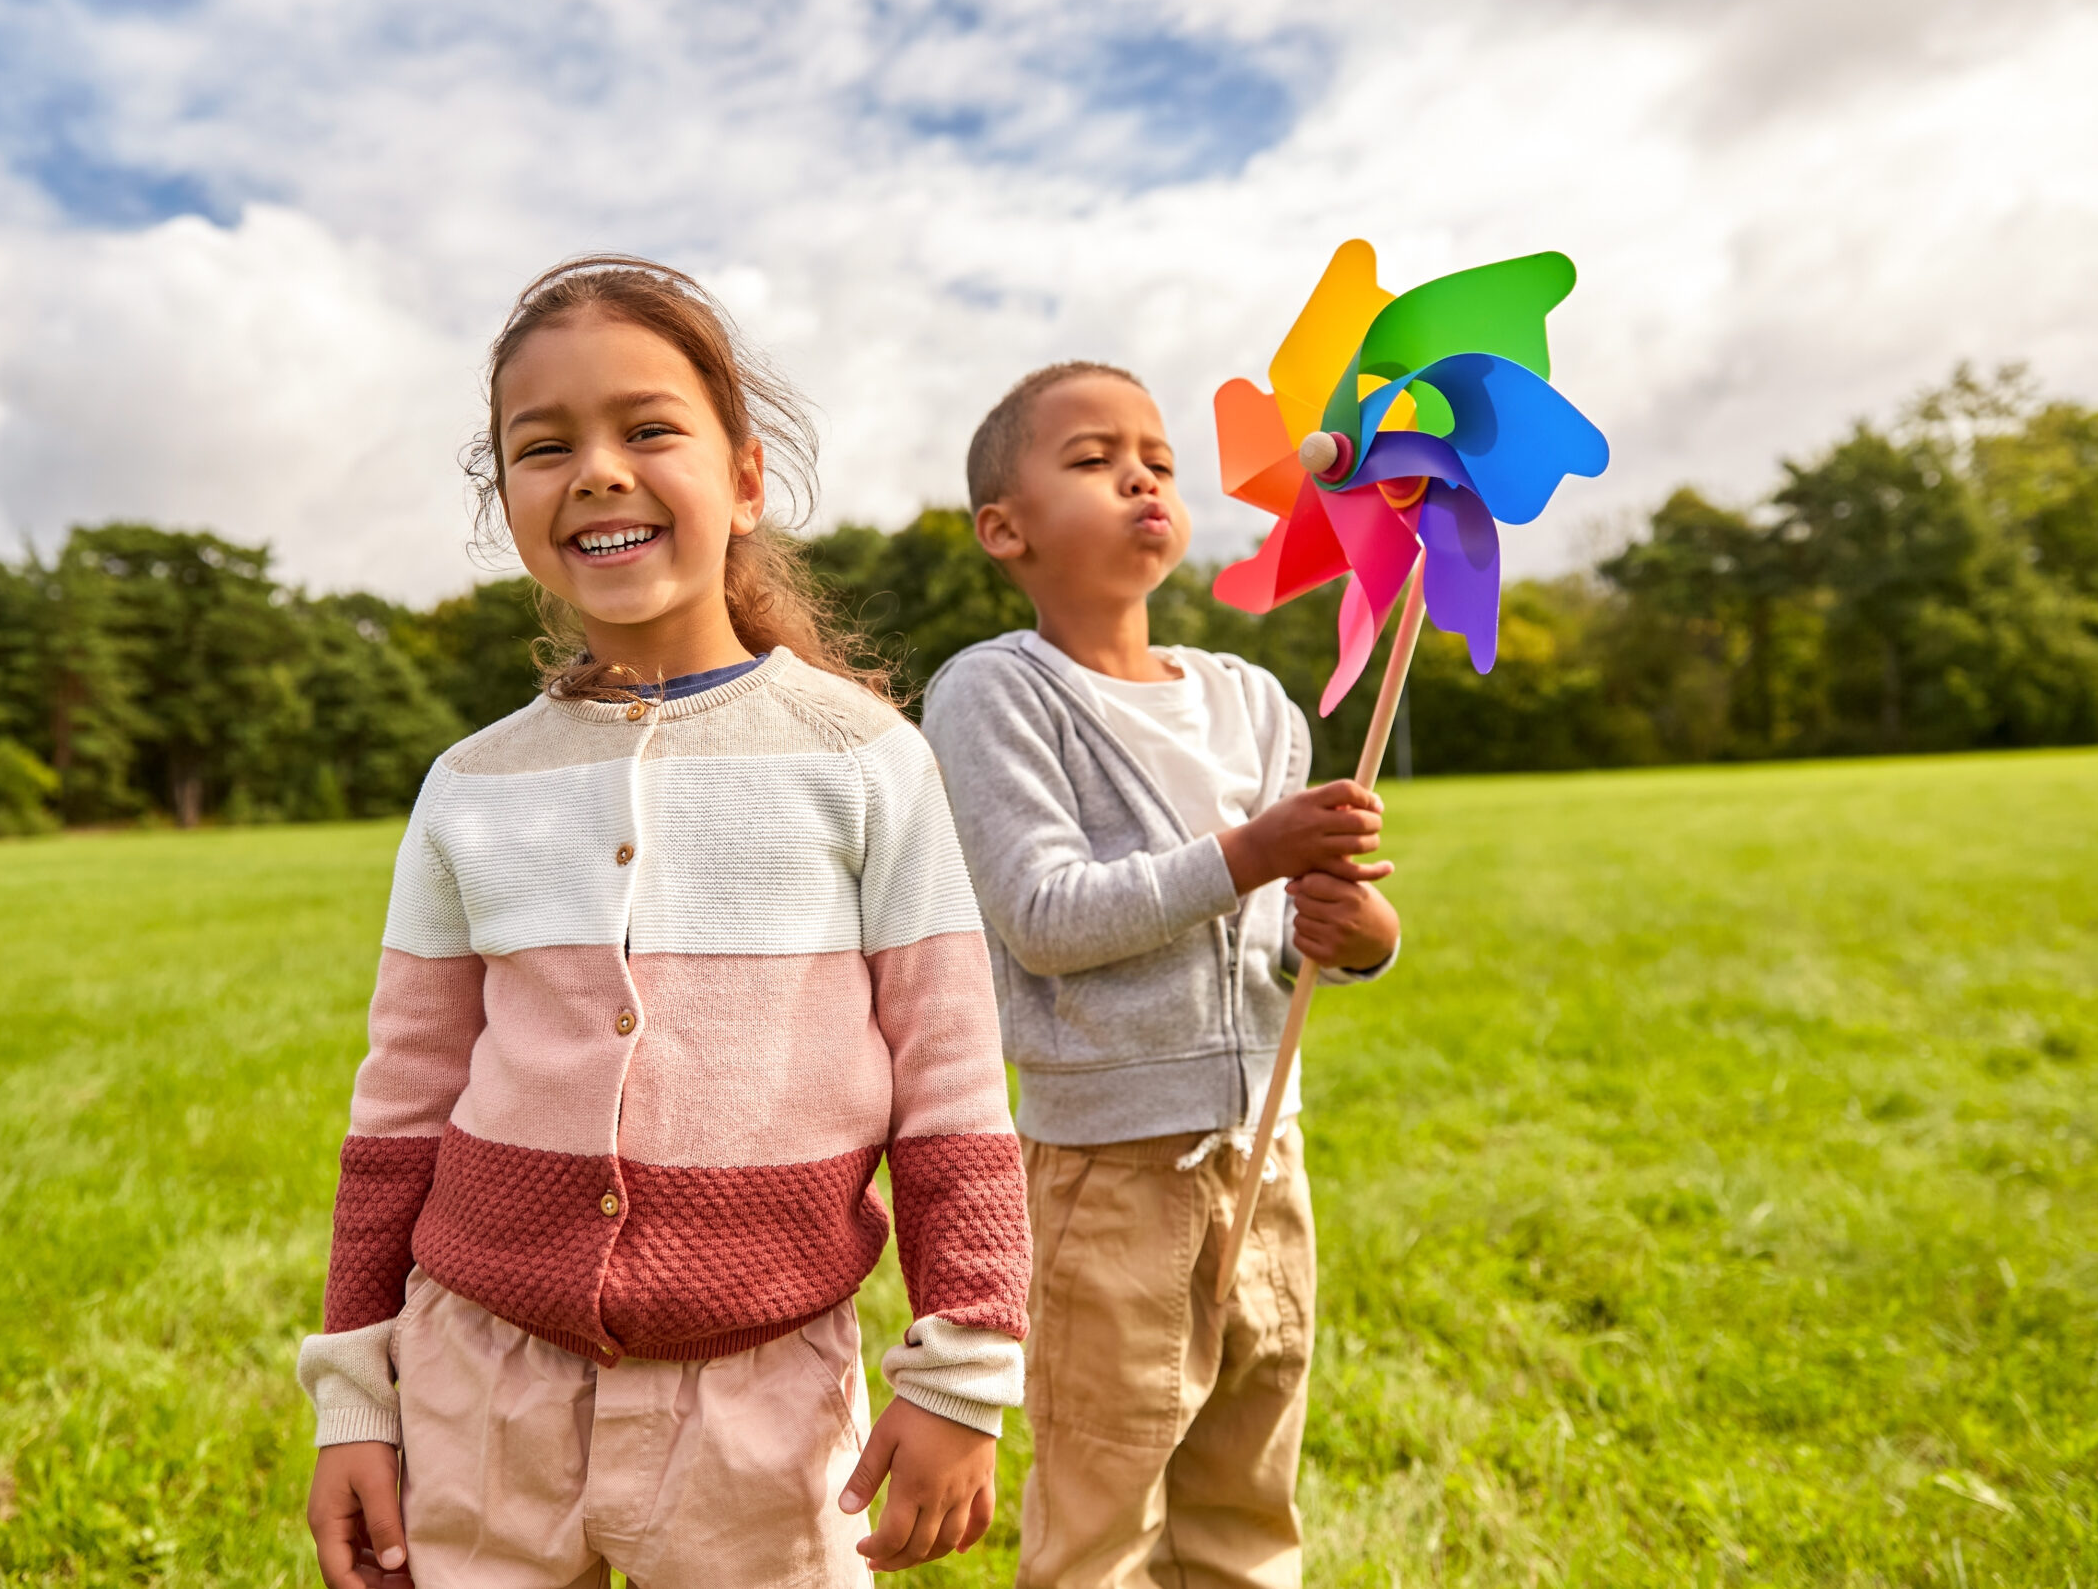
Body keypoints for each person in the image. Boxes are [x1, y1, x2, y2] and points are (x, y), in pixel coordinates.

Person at [298, 257, 1032, 1589]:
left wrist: (966, 1368)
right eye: (544, 445)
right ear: (508, 504)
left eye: (647, 429)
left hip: (766, 1400)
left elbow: (951, 1091)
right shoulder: (470, 785)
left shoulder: (864, 759)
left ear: (746, 480)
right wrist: (360, 1394)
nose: (596, 470)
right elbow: (400, 1103)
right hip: (484, 1385)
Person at [919, 361, 1402, 1588]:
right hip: (1111, 1174)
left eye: (1160, 458)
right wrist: (1253, 851)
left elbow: (1282, 940)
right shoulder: (995, 690)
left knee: (1248, 1487)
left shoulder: (1253, 700)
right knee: (1106, 1501)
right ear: (1005, 529)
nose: (1140, 472)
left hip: (1266, 1151)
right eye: (1091, 457)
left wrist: (1358, 932)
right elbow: (1043, 915)